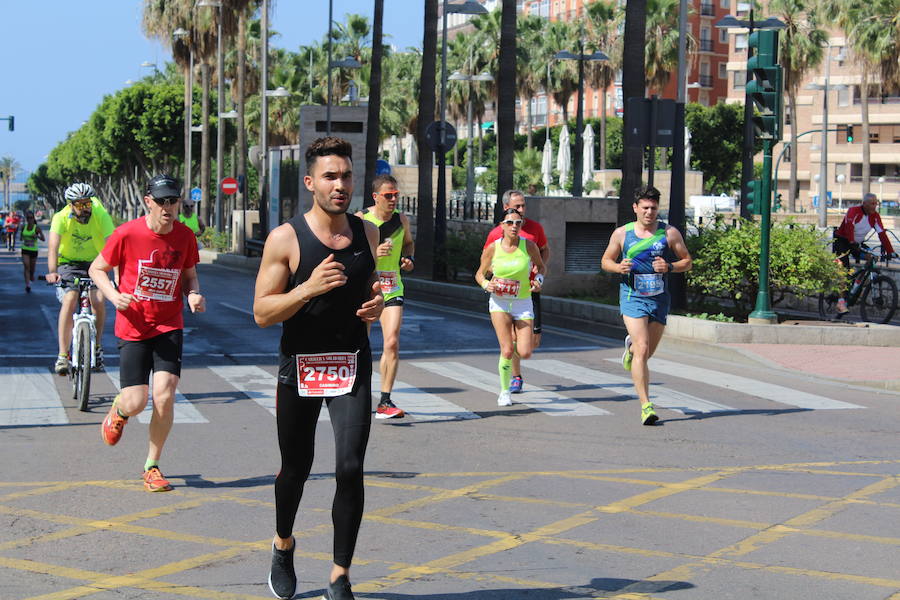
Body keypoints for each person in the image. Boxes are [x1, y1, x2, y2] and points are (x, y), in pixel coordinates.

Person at [253, 137, 382, 600]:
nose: (340, 184)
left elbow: (373, 290)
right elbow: (263, 313)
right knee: (296, 468)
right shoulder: (286, 238)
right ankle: (283, 543)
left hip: (351, 364)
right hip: (301, 366)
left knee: (350, 467)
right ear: (311, 183)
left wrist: (375, 305)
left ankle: (339, 575)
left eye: (346, 175)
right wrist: (305, 289)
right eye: (330, 176)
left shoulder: (368, 233)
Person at [88, 174, 205, 493]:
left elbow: (190, 276)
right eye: (163, 201)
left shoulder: (184, 236)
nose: (169, 207)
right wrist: (113, 296)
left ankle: (152, 465)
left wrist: (193, 294)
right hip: (133, 326)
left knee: (165, 396)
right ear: (148, 202)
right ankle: (120, 409)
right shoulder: (126, 234)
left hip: (169, 325)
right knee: (137, 400)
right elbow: (96, 269)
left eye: (174, 200)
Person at [601, 185, 692, 426]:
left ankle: (630, 351)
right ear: (635, 208)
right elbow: (606, 261)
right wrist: (618, 267)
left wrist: (670, 267)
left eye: (653, 208)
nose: (649, 212)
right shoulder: (622, 234)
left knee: (646, 352)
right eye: (645, 208)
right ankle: (646, 406)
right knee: (642, 348)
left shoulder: (669, 233)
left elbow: (687, 261)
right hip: (632, 297)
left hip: (659, 298)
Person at [475, 207, 546, 407]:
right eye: (509, 223)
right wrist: (486, 284)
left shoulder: (529, 246)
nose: (514, 226)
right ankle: (504, 391)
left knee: (525, 351)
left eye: (517, 223)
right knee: (506, 350)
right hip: (500, 303)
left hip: (523, 302)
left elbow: (541, 266)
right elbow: (479, 273)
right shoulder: (493, 248)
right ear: (502, 226)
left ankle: (513, 344)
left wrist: (539, 279)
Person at [357, 174, 414, 419]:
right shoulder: (361, 219)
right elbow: (351, 254)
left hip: (392, 286)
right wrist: (374, 253)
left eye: (396, 196)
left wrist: (408, 259)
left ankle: (385, 401)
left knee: (391, 342)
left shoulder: (401, 219)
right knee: (361, 344)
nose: (392, 200)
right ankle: (356, 394)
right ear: (375, 197)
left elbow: (409, 244)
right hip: (367, 287)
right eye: (388, 196)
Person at [46, 183, 115, 375]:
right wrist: (52, 271)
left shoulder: (101, 215)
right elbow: (53, 246)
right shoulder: (61, 218)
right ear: (70, 205)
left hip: (96, 263)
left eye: (87, 204)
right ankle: (62, 354)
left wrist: (117, 276)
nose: (85, 208)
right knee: (70, 298)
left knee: (99, 300)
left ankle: (98, 346)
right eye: (79, 205)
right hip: (69, 263)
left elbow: (113, 246)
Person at [832, 192, 896, 313]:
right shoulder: (853, 211)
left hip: (857, 243)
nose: (874, 206)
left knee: (872, 258)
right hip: (843, 242)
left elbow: (882, 234)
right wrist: (851, 241)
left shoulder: (875, 216)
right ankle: (840, 303)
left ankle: (857, 283)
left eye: (876, 203)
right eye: (872, 203)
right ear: (864, 203)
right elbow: (850, 226)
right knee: (843, 272)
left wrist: (891, 252)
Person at [20, 211, 45, 293]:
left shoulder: (36, 228)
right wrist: (24, 238)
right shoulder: (23, 227)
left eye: (31, 218)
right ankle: (27, 285)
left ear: (33, 218)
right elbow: (21, 237)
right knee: (26, 266)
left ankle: (31, 275)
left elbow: (43, 239)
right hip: (25, 249)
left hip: (33, 250)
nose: (29, 219)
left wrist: (36, 236)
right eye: (28, 218)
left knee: (32, 268)